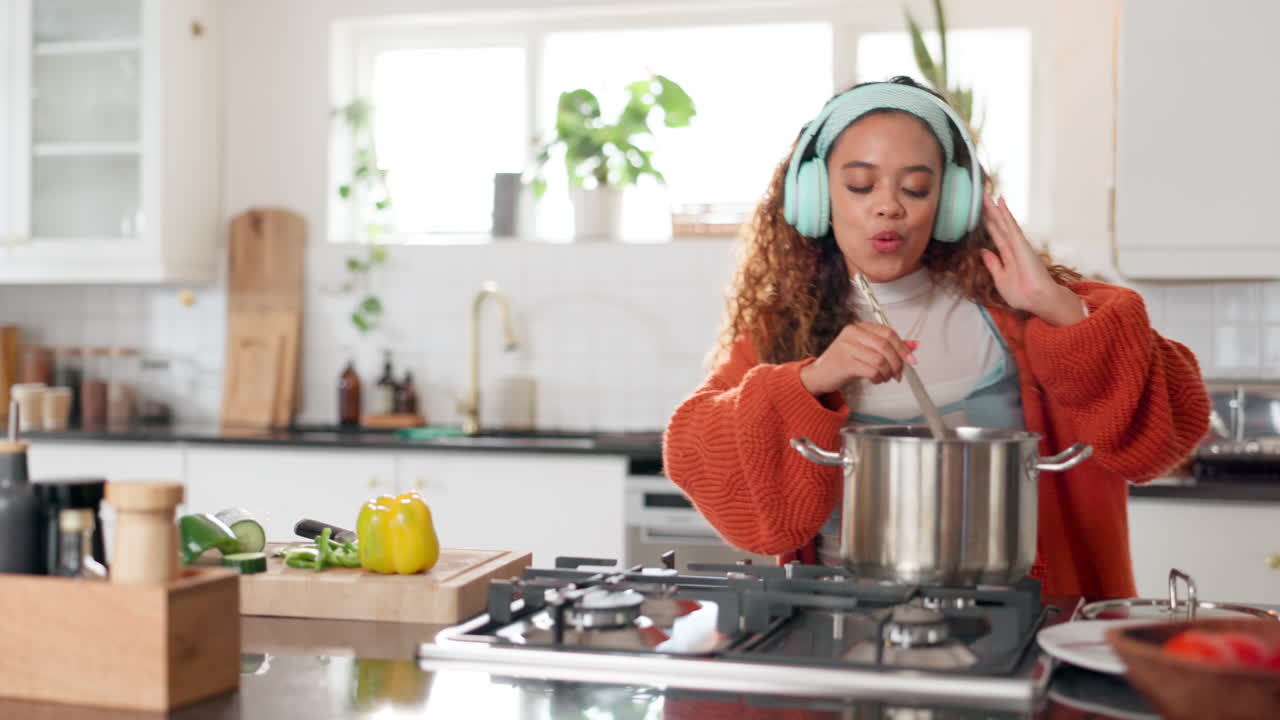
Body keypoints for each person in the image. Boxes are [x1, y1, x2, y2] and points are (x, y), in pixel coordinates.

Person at [662, 76, 1209, 599]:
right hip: (837, 636)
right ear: (816, 196)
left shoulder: (1019, 317)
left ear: (950, 202)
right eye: (859, 184)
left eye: (916, 188)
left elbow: (1161, 443)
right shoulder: (783, 333)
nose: (888, 206)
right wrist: (811, 380)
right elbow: (695, 453)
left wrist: (1059, 308)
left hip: (1025, 632)